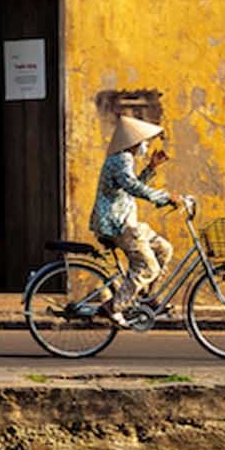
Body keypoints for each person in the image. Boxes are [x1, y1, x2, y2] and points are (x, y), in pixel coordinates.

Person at [90, 116, 176, 327]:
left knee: (164, 249)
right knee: (148, 267)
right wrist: (165, 197)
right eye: (144, 141)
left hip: (128, 221)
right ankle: (114, 306)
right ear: (134, 142)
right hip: (117, 224)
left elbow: (131, 186)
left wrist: (152, 167)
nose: (146, 146)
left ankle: (147, 297)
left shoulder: (124, 159)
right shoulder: (121, 160)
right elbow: (134, 188)